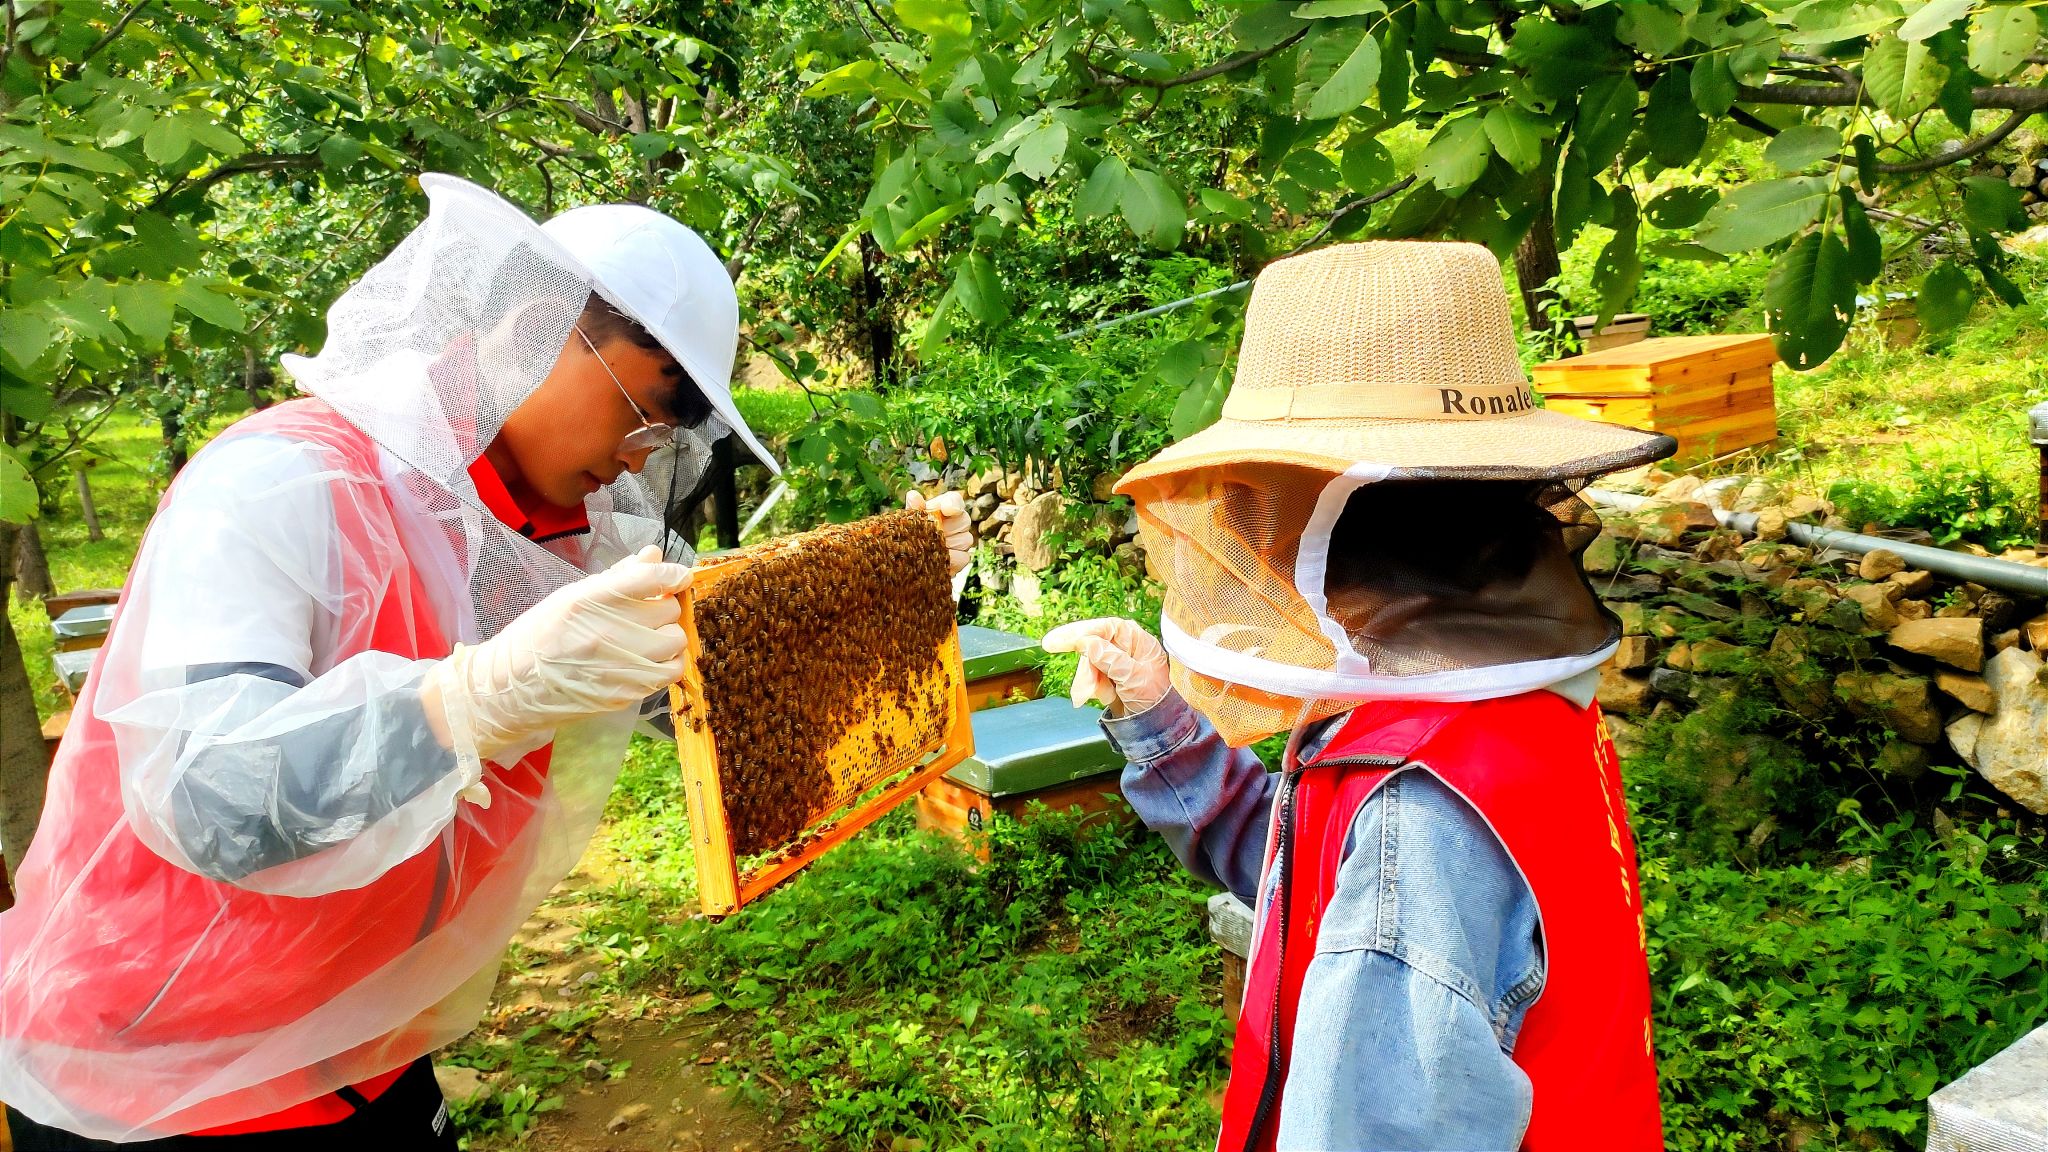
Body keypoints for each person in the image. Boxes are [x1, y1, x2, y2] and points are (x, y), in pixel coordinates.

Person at [0, 174, 970, 1147]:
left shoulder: (574, 531)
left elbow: (708, 661)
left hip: (362, 1047)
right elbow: (207, 795)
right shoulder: (278, 483)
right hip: (157, 1074)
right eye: (644, 407)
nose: (643, 456)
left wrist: (899, 584)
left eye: (669, 434)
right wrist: (468, 702)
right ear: (536, 326)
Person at [1044, 242, 1672, 1150]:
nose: (1244, 533)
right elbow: (1310, 871)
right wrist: (1156, 710)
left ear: (1330, 520)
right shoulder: (1501, 719)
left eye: (1257, 498)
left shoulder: (1418, 810)